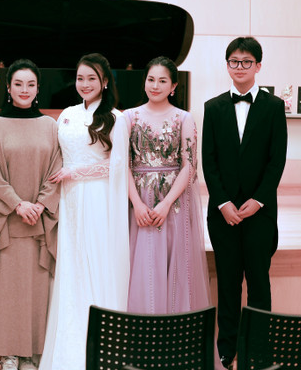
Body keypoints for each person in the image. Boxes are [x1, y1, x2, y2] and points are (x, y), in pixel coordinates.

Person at [0, 59, 62, 370]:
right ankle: (9, 353)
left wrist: (40, 204)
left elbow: (57, 169)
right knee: (6, 289)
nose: (24, 90)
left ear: (38, 89)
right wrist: (17, 204)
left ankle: (33, 352)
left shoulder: (50, 126)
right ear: (8, 88)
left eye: (30, 84)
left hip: (39, 222)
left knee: (37, 288)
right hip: (6, 221)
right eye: (18, 84)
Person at [39, 53, 129, 370]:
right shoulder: (66, 115)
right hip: (69, 199)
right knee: (71, 264)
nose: (85, 84)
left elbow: (118, 166)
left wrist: (75, 172)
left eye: (92, 78)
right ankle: (68, 347)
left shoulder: (116, 118)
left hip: (98, 198)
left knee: (96, 261)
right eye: (80, 78)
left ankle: (101, 347)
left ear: (104, 82)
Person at [202, 37, 287, 369]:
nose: (240, 67)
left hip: (259, 213)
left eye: (246, 61)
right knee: (228, 283)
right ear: (227, 66)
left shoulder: (274, 106)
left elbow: (276, 160)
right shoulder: (213, 107)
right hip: (223, 213)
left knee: (259, 283)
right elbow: (209, 160)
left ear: (258, 66)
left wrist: (259, 200)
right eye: (234, 61)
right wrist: (222, 202)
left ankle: (259, 349)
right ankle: (227, 349)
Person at [119, 56, 211, 315]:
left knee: (175, 263)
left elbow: (189, 166)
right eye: (151, 79)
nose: (155, 86)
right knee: (142, 265)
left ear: (173, 86)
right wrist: (137, 204)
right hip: (138, 199)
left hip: (174, 201)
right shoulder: (129, 117)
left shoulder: (184, 118)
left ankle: (172, 332)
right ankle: (142, 329)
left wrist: (167, 203)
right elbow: (122, 165)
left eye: (162, 81)